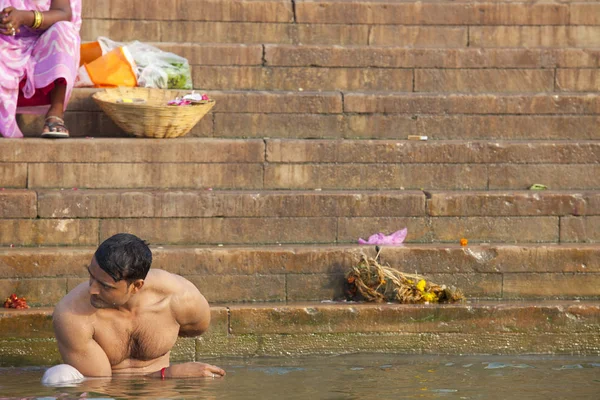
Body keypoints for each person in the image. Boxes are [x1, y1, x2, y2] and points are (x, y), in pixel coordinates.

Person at [45, 233, 225, 384]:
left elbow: (197, 328)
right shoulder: (72, 314)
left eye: (105, 286)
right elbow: (99, 388)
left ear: (136, 286)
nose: (92, 289)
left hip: (160, 394)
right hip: (112, 394)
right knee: (59, 376)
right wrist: (167, 374)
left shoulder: (181, 298)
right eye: (91, 276)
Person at [0, 0, 81, 138]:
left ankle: (55, 114)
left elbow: (64, 13)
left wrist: (25, 17)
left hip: (45, 40)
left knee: (64, 30)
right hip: (5, 41)